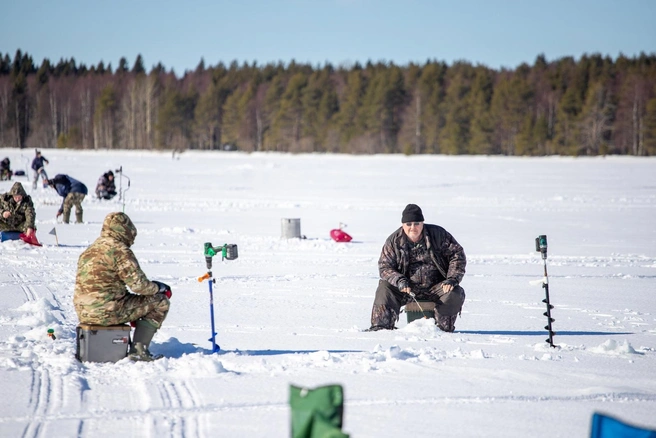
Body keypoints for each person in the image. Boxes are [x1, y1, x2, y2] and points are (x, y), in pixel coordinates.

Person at [74, 212, 172, 361]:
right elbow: (139, 286)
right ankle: (139, 352)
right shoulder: (119, 250)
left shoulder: (89, 250)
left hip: (84, 311)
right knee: (160, 302)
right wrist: (160, 288)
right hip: (107, 311)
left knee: (131, 301)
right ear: (125, 231)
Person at [367, 204, 467, 333]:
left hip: (437, 287)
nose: (412, 227)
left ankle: (443, 329)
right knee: (385, 287)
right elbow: (385, 267)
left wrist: (452, 279)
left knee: (455, 292)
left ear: (422, 223)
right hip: (407, 289)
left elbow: (457, 256)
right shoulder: (394, 241)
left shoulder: (439, 235)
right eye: (408, 224)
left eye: (416, 223)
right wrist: (399, 280)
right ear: (403, 225)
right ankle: (381, 329)